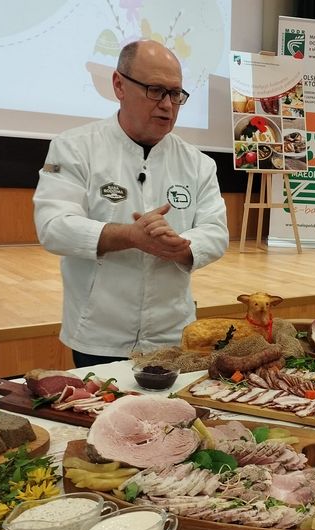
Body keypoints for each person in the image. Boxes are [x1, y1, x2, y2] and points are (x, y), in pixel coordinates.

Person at [33, 40, 229, 368]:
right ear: (119, 85)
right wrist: (131, 236)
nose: (167, 105)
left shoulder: (198, 163)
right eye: (155, 90)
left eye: (175, 94)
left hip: (173, 333)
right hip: (99, 333)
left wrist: (178, 245)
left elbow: (216, 232)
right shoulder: (74, 147)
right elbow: (54, 227)